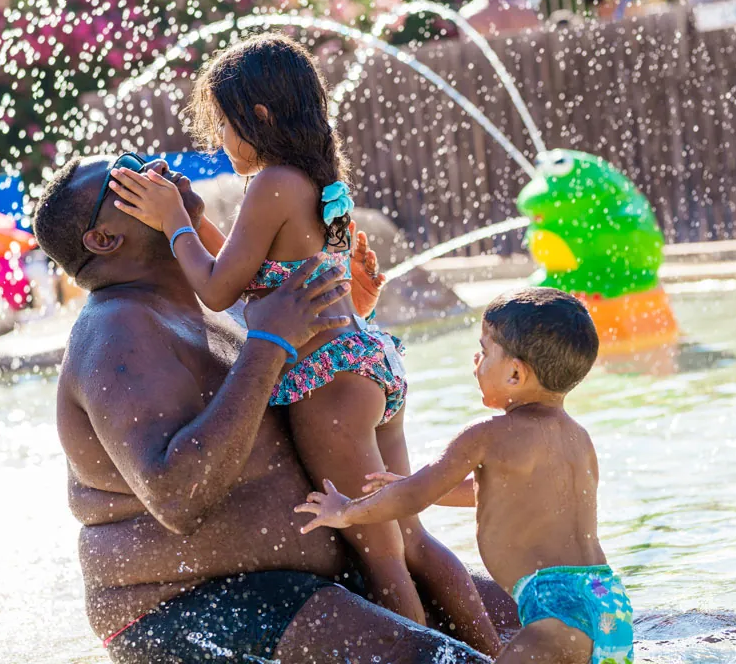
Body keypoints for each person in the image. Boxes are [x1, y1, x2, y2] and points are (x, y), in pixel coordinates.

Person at [106, 33, 500, 654]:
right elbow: (253, 264)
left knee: (384, 558)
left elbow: (216, 287)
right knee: (415, 539)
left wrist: (172, 221)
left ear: (259, 118)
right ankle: (499, 653)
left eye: (225, 127)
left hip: (327, 386)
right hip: (366, 363)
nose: (219, 144)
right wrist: (191, 208)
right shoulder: (315, 178)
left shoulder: (270, 185)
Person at [31, 154, 504, 663]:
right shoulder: (115, 332)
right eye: (129, 172)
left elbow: (288, 391)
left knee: (542, 625)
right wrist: (270, 339)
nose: (158, 169)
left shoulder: (207, 299)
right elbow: (176, 498)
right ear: (103, 239)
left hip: (320, 574)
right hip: (182, 605)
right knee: (439, 659)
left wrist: (339, 321)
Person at [297, 288, 636, 664]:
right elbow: (494, 493)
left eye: (485, 350)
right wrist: (419, 489)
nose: (476, 359)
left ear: (514, 373)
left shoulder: (487, 435)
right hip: (608, 602)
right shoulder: (578, 438)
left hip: (554, 606)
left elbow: (415, 497)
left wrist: (347, 510)